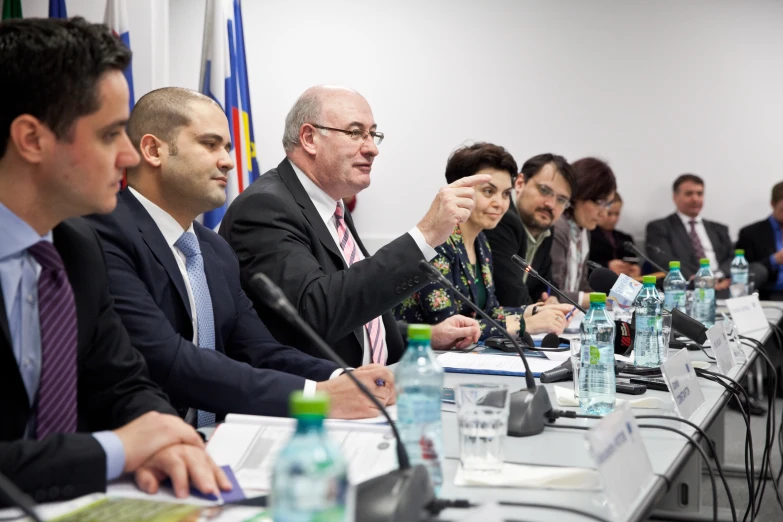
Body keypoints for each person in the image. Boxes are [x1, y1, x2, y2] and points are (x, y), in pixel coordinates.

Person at [0, 18, 229, 504]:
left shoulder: (74, 247)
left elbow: (122, 381)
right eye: (110, 135)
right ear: (32, 139)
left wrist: (165, 437)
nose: (129, 156)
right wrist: (118, 449)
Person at [86, 88, 394, 422]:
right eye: (209, 144)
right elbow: (164, 359)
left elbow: (258, 350)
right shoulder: (103, 233)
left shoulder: (215, 250)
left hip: (217, 440)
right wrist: (316, 396)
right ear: (153, 150)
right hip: (141, 450)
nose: (229, 161)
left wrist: (344, 378)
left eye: (228, 147)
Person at [219, 86, 481, 367]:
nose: (372, 148)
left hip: (372, 391)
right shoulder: (265, 207)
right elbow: (314, 315)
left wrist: (427, 336)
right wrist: (425, 234)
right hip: (308, 401)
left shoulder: (332, 206)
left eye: (372, 134)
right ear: (309, 138)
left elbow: (355, 317)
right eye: (355, 133)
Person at [394, 143, 573, 338]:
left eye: (505, 194)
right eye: (489, 191)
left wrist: (535, 312)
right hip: (414, 358)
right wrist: (524, 324)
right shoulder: (438, 243)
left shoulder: (481, 243)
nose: (500, 203)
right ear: (460, 190)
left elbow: (489, 312)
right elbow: (450, 327)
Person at [485, 153, 576, 312]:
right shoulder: (501, 218)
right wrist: (541, 310)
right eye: (544, 190)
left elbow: (545, 282)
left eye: (561, 200)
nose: (551, 204)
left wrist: (551, 298)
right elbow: (510, 295)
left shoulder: (544, 227)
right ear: (520, 183)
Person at [550, 157, 617, 308]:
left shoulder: (583, 230)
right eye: (600, 202)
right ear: (578, 195)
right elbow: (551, 292)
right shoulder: (558, 227)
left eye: (608, 204)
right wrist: (605, 300)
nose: (604, 213)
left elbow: (580, 286)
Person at [645, 174, 733, 286]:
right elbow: (663, 260)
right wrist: (702, 280)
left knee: (757, 268)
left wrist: (719, 276)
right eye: (689, 194)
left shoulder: (719, 229)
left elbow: (732, 258)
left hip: (722, 282)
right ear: (675, 197)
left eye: (699, 194)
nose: (695, 199)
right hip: (689, 284)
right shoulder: (660, 227)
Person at [736, 181, 783, 300]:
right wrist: (773, 260)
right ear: (773, 204)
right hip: (768, 295)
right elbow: (744, 272)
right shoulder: (750, 233)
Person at [589, 193, 641, 277]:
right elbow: (582, 267)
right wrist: (607, 266)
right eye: (609, 214)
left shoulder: (626, 238)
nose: (613, 219)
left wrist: (634, 269)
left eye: (617, 214)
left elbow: (634, 261)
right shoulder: (587, 236)